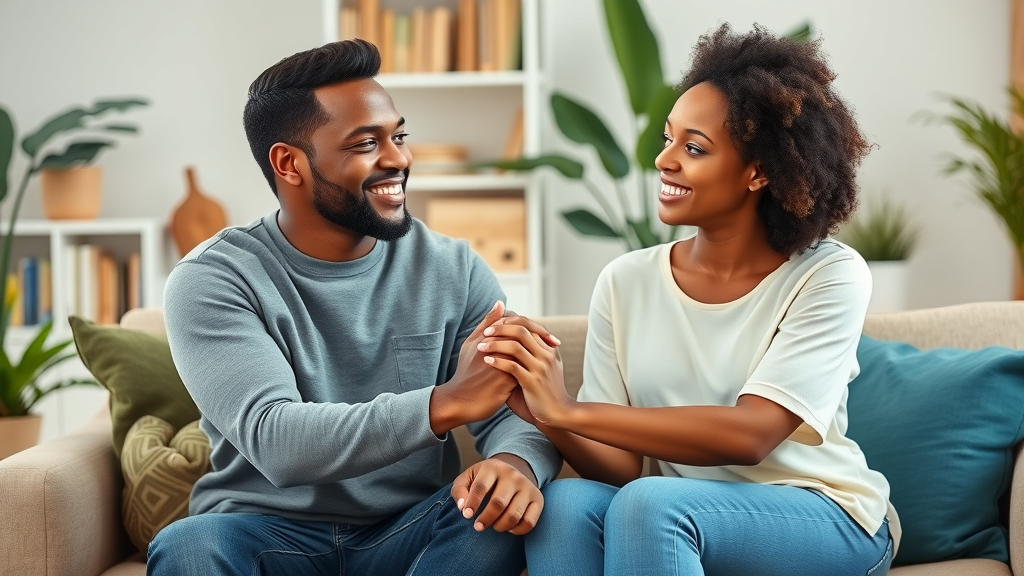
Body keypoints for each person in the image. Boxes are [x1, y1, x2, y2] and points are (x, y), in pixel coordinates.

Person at [479, 23, 900, 575]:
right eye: (667, 139)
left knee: (651, 506)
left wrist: (569, 409)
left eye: (694, 148)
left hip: (825, 516)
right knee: (566, 504)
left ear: (758, 172)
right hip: (679, 514)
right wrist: (543, 410)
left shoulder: (828, 275)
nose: (664, 160)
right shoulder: (626, 281)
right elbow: (621, 468)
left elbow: (753, 434)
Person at [147, 39, 561, 576]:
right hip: (264, 532)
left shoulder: (452, 268)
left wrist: (513, 463)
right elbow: (277, 440)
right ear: (289, 163)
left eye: (399, 136)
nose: (398, 159)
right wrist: (446, 402)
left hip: (408, 527)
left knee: (496, 520)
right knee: (189, 546)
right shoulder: (214, 279)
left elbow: (518, 411)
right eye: (366, 143)